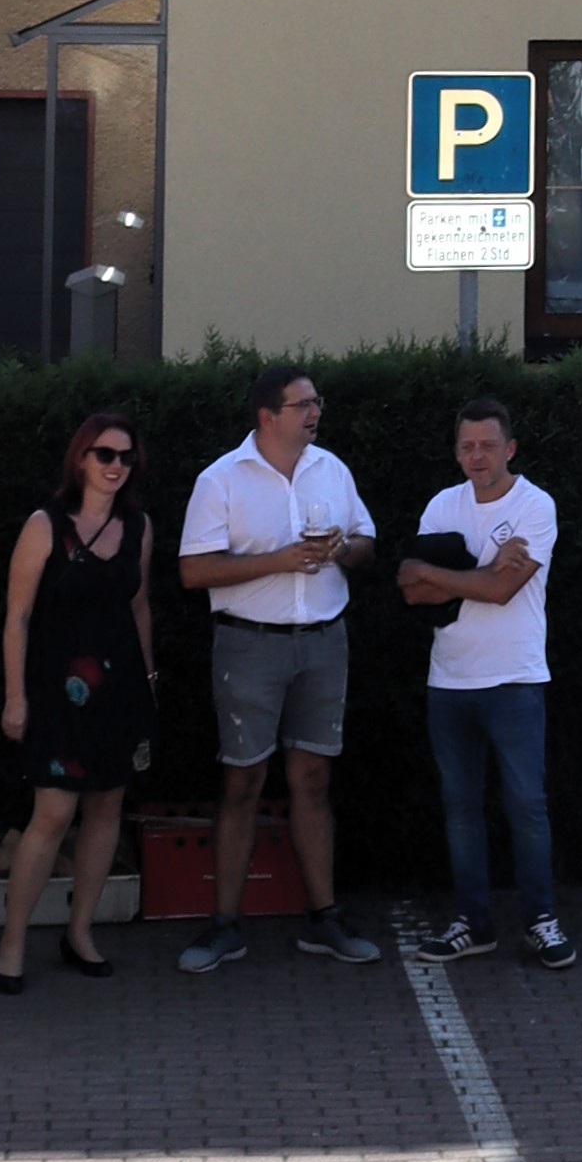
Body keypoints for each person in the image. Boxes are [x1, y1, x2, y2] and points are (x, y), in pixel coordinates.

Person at [175, 363, 381, 973]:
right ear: (267, 417)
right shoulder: (221, 478)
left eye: (317, 402)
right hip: (249, 644)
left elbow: (367, 543)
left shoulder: (332, 469)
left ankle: (325, 918)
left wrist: (342, 549)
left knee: (313, 779)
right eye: (303, 405)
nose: (315, 412)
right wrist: (279, 561)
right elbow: (193, 571)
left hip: (324, 640)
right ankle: (224, 926)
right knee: (242, 782)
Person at [398, 395, 573, 969]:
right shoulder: (441, 505)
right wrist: (486, 567)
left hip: (515, 680)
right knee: (460, 809)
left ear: (510, 449)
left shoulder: (535, 505)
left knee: (526, 805)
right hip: (448, 681)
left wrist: (442, 574)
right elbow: (411, 590)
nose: (478, 456)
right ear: (456, 452)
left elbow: (502, 591)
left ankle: (541, 921)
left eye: (489, 446)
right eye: (468, 446)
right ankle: (472, 924)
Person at [0, 414, 152, 985]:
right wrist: (15, 697)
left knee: (107, 809)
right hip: (56, 692)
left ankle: (79, 932)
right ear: (80, 457)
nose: (116, 466)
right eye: (105, 454)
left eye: (126, 457)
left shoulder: (139, 527)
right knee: (54, 813)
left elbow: (139, 607)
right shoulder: (46, 525)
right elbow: (17, 617)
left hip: (120, 691)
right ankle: (12, 941)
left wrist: (150, 681)